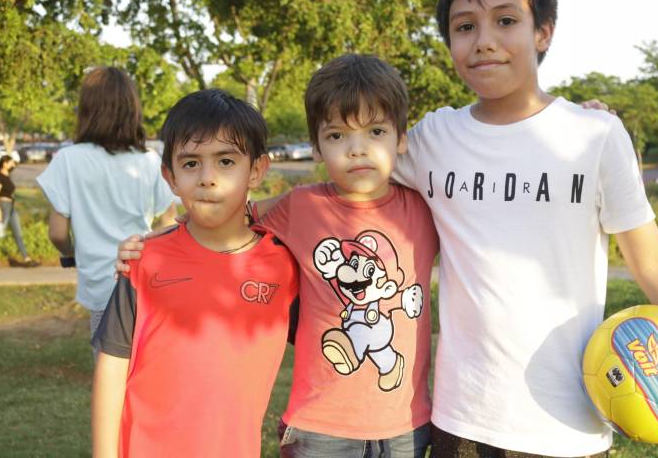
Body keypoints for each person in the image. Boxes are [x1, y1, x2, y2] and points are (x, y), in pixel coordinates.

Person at [389, 0, 658, 457]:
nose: (484, 40)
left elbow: (654, 264)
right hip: (463, 420)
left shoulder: (595, 136)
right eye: (464, 26)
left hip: (570, 427)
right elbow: (352, 159)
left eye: (506, 20)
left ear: (544, 32)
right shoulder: (433, 138)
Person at [118, 54, 439, 457]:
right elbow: (226, 214)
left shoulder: (425, 210)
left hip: (405, 425)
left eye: (375, 131)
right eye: (337, 136)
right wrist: (154, 243)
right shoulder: (301, 206)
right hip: (320, 428)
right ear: (316, 147)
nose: (357, 150)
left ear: (401, 138)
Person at [91, 89, 299, 457]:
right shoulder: (144, 260)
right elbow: (112, 366)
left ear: (256, 170)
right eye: (190, 164)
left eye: (226, 161)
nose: (207, 178)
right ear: (170, 177)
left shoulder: (283, 265)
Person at [36, 66, 177, 344]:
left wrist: (70, 254)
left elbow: (57, 233)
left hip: (100, 289)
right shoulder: (149, 160)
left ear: (86, 109)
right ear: (132, 110)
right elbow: (169, 222)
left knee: (106, 364)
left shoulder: (68, 160)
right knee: (143, 363)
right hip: (142, 282)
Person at [0, 155, 38, 267]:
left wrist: (14, 162)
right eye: (10, 162)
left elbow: (15, 165)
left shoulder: (6, 174)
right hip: (3, 207)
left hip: (11, 208)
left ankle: (26, 259)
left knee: (18, 234)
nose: (12, 164)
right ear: (4, 164)